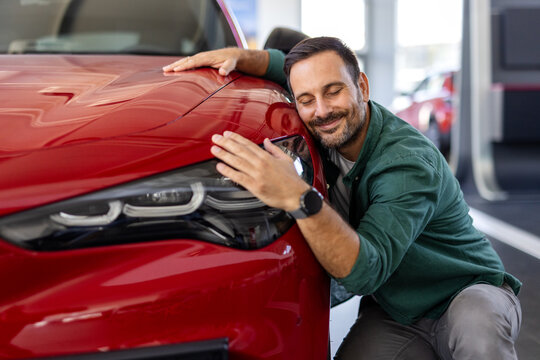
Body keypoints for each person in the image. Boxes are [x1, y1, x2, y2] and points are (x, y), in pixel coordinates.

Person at [163, 37, 522, 360]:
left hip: (465, 291)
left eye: (333, 92)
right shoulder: (326, 128)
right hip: (400, 310)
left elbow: (364, 272)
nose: (322, 111)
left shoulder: (407, 163)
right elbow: (284, 65)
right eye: (306, 100)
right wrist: (242, 57)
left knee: (480, 334)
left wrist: (296, 196)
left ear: (362, 86)